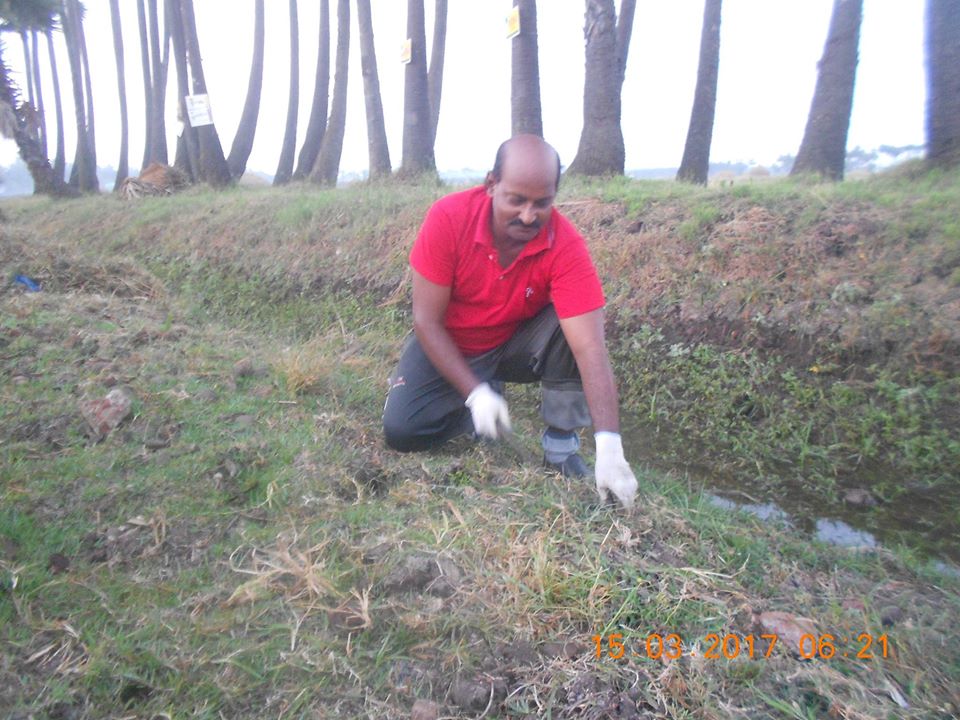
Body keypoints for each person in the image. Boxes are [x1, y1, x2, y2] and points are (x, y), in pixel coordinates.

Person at [382, 134, 637, 509]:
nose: (528, 216)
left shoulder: (565, 245)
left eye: (542, 203)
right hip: (449, 342)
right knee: (402, 432)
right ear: (491, 184)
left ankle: (560, 450)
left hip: (511, 345)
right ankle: (479, 400)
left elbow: (590, 350)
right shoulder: (449, 218)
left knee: (572, 325)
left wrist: (610, 445)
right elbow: (426, 322)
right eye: (516, 200)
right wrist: (475, 394)